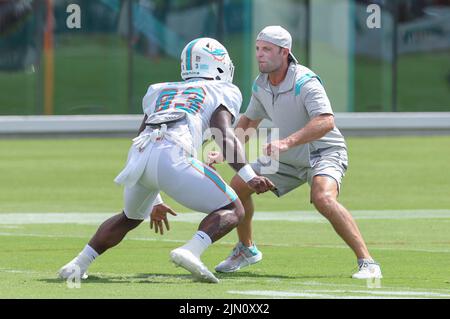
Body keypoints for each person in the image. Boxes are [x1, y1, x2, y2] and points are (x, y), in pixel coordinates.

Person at [58, 37, 274, 284]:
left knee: (129, 216)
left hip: (140, 155)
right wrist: (249, 176)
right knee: (234, 209)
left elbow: (142, 135)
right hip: (174, 153)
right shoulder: (223, 90)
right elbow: (222, 133)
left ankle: (77, 264)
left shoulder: (159, 89)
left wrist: (154, 198)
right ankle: (190, 251)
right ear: (217, 64)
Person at [210, 26, 382, 279]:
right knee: (238, 185)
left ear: (284, 52)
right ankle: (247, 249)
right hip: (287, 157)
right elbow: (249, 121)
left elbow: (326, 122)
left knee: (323, 199)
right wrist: (224, 151)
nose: (260, 54)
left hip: (322, 152)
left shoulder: (305, 82)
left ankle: (368, 263)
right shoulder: (260, 85)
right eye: (258, 49)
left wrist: (287, 142)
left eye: (267, 49)